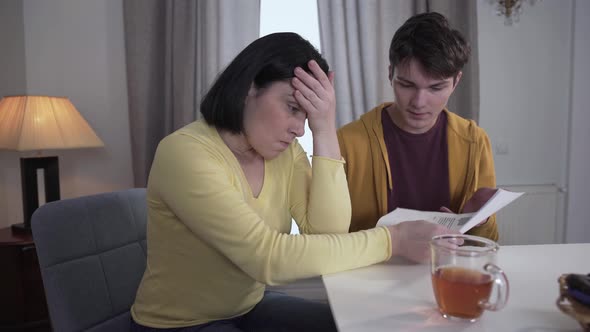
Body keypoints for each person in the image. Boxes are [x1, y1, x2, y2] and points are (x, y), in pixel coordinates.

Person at [130, 32, 454, 332]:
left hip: (248, 308)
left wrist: (325, 128)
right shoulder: (184, 153)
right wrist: (392, 240)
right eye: (292, 107)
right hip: (176, 324)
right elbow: (267, 258)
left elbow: (328, 233)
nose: (299, 129)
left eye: (307, 115)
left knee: (358, 325)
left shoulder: (286, 153)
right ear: (247, 89)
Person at [337, 12, 499, 240]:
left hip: (446, 271)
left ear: (456, 82)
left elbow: (487, 243)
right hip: (370, 274)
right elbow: (326, 239)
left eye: (436, 88)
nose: (419, 102)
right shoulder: (346, 142)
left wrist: (480, 220)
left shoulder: (474, 141)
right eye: (406, 85)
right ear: (390, 73)